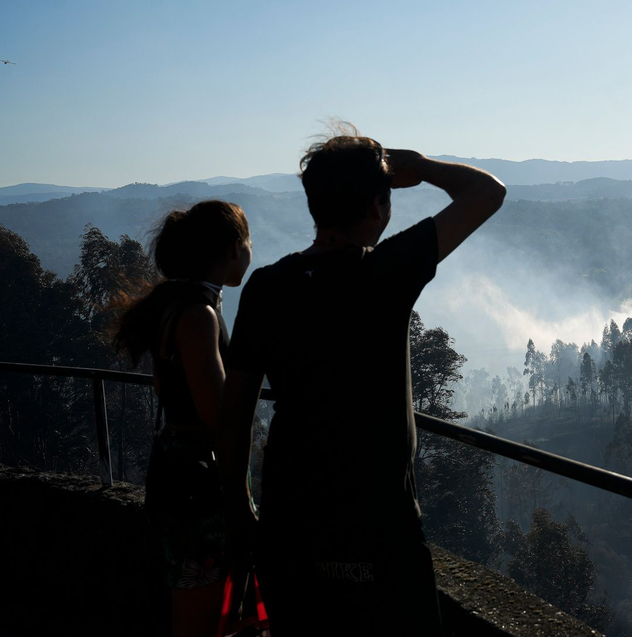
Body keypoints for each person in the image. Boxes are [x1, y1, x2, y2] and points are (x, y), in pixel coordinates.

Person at [217, 124, 506, 635]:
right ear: (377, 207)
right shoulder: (387, 272)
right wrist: (418, 167)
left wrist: (240, 504)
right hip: (378, 519)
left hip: (290, 517)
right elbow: (489, 192)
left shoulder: (266, 287)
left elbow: (236, 408)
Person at [113, 200, 253, 637]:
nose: (250, 250)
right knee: (200, 612)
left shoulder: (178, 306)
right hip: (199, 481)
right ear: (233, 247)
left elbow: (166, 386)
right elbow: (217, 413)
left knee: (194, 598)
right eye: (248, 241)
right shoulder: (199, 315)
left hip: (176, 470)